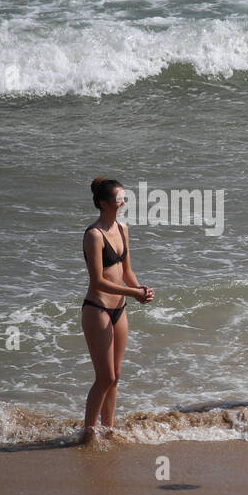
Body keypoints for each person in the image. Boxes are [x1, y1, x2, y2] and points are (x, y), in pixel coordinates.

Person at [80, 177, 154, 443]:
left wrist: (140, 288)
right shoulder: (93, 235)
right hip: (97, 309)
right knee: (105, 376)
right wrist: (133, 293)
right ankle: (88, 433)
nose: (123, 203)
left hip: (119, 310)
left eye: (125, 198)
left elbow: (126, 271)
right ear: (103, 203)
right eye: (119, 199)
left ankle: (108, 429)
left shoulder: (122, 229)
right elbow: (98, 281)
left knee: (117, 375)